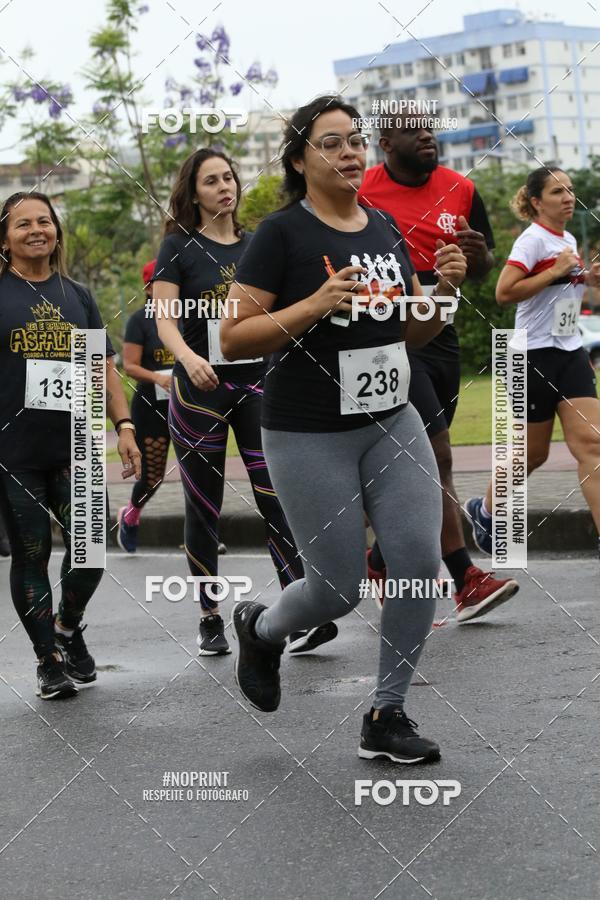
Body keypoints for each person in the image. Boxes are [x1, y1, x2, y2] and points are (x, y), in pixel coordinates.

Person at [222, 95, 467, 764]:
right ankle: (264, 628)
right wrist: (314, 304)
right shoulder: (281, 235)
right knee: (335, 589)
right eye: (331, 143)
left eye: (355, 140)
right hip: (308, 433)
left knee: (418, 565)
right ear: (300, 160)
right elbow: (235, 337)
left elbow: (411, 332)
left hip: (392, 420)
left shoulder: (383, 226)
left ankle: (388, 712)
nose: (350, 152)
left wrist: (443, 291)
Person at [154, 148, 334, 656]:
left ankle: (300, 608)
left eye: (228, 177)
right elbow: (164, 319)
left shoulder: (259, 245)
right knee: (203, 503)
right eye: (210, 181)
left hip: (258, 384)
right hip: (200, 389)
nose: (223, 187)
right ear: (194, 193)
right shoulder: (178, 247)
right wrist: (188, 359)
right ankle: (210, 616)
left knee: (275, 496)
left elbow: (288, 313)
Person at [358, 117, 518, 622]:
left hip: (441, 329)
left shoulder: (461, 188)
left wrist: (479, 257)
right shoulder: (363, 191)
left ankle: (380, 560)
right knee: (439, 454)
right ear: (385, 144)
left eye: (431, 130)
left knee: (422, 459)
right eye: (414, 132)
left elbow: (486, 262)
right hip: (389, 332)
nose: (428, 137)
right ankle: (464, 576)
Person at [0, 191, 141, 699]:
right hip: (13, 453)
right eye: (23, 224)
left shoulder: (75, 294)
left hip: (76, 447)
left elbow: (103, 369)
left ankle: (65, 627)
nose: (36, 230)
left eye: (45, 221)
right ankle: (48, 661)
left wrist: (123, 427)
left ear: (56, 230)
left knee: (89, 553)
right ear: (5, 238)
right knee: (31, 555)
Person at [465, 166, 600, 556]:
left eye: (571, 190)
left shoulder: (569, 239)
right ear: (537, 201)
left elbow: (559, 292)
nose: (568, 197)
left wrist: (585, 279)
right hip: (532, 355)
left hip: (569, 352)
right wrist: (557, 270)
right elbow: (505, 293)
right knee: (532, 453)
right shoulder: (532, 241)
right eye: (558, 191)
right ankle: (485, 511)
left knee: (592, 443)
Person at [117, 259, 174, 553]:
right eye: (160, 282)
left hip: (189, 405)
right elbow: (129, 366)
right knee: (153, 476)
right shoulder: (140, 321)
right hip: (152, 406)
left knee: (201, 474)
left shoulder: (187, 317)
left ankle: (206, 536)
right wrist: (159, 379)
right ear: (149, 288)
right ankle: (131, 515)